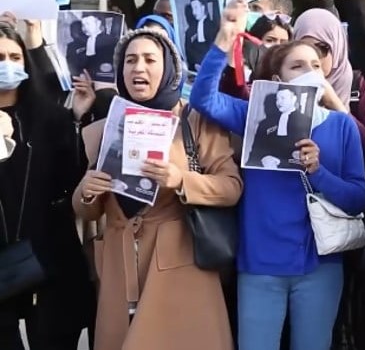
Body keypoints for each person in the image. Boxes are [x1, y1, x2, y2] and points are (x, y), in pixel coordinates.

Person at [190, 0, 365, 350]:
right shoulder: (253, 115)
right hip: (261, 265)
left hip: (320, 265)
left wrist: (319, 172)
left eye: (316, 66)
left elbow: (358, 198)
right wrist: (225, 39)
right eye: (297, 67)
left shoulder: (341, 126)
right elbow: (203, 99)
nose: (310, 73)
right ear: (276, 79)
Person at [73, 27, 243, 350]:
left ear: (168, 68)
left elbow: (231, 187)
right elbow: (88, 209)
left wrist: (182, 180)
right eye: (131, 60)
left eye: (150, 59)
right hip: (120, 272)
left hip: (180, 269)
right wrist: (87, 190)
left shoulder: (196, 123)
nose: (139, 68)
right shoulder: (103, 128)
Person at [0, 21, 96, 350]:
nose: (7, 65)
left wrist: (77, 123)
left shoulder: (51, 118)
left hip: (49, 261)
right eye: (0, 57)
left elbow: (73, 181)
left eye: (15, 57)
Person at [293, 8, 354, 105]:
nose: (313, 58)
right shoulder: (283, 74)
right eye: (304, 48)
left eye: (321, 49)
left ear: (337, 49)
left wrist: (333, 102)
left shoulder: (344, 75)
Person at [246, 87, 313, 169]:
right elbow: (255, 152)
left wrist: (283, 162)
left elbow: (307, 159)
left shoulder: (307, 121)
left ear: (294, 99)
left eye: (283, 98)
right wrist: (263, 159)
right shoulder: (265, 123)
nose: (279, 102)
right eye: (277, 99)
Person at [65, 14, 118, 83]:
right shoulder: (76, 44)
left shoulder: (112, 41)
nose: (85, 28)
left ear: (98, 23)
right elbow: (72, 66)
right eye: (83, 25)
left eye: (88, 24)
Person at [184, 0, 219, 72]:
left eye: (196, 8)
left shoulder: (213, 26)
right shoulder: (189, 31)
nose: (194, 12)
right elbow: (188, 51)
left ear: (203, 7)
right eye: (193, 9)